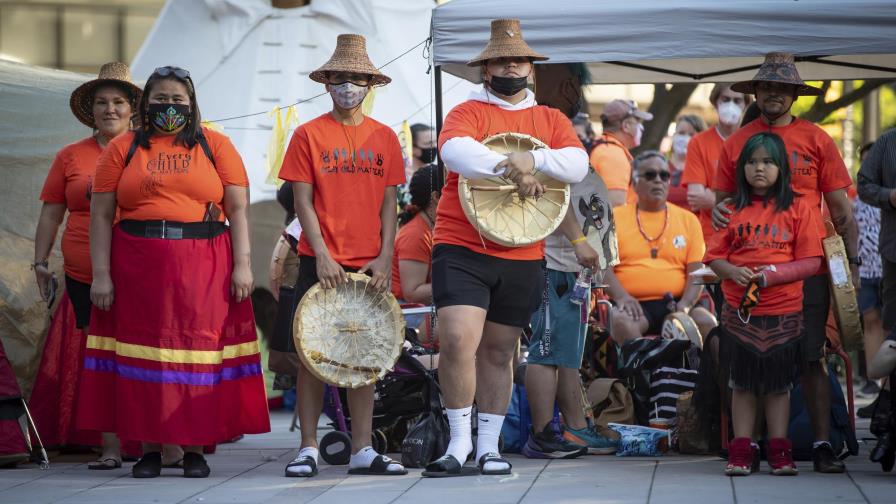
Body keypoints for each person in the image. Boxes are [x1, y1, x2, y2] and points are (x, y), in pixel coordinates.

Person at [78, 65, 270, 479]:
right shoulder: (122, 148)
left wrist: (243, 266)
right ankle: (149, 450)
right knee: (142, 356)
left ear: (192, 104)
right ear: (145, 103)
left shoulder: (216, 145)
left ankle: (194, 450)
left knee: (197, 356)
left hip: (204, 263)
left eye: (177, 100)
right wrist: (101, 275)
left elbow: (237, 209)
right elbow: (100, 215)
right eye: (160, 99)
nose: (169, 107)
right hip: (135, 265)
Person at [422, 18, 588, 477]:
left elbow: (576, 164)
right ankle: (458, 444)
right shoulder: (467, 111)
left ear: (531, 69)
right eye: (500, 58)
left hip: (521, 252)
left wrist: (531, 158)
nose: (510, 65)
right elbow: (454, 152)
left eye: (518, 58)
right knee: (457, 339)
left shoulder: (550, 120)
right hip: (462, 244)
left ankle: (488, 448)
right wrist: (509, 167)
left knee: (499, 351)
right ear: (486, 67)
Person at [712, 52, 857, 473]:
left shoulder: (818, 139)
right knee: (748, 360)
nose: (773, 93)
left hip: (806, 263)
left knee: (811, 356)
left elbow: (841, 209)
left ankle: (822, 442)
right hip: (747, 270)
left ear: (794, 94)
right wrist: (722, 219)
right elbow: (724, 202)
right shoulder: (736, 142)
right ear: (756, 92)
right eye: (767, 86)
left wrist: (848, 265)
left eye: (782, 87)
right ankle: (751, 446)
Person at [279, 34, 407, 478]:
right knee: (313, 354)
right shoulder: (307, 134)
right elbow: (302, 202)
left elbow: (390, 203)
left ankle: (362, 450)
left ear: (370, 83)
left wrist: (385, 256)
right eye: (340, 78)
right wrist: (323, 254)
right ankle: (309, 447)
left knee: (366, 356)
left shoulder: (386, 138)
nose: (348, 85)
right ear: (327, 83)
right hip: (320, 262)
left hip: (369, 261)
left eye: (356, 78)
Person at [31, 62, 141, 469]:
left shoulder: (146, 151)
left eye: (118, 102)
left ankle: (147, 441)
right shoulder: (70, 156)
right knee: (100, 357)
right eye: (101, 102)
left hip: (138, 267)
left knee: (138, 354)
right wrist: (40, 262)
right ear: (90, 110)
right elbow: (50, 214)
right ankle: (109, 447)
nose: (109, 109)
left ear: (132, 108)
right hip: (83, 274)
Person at [706, 132, 823, 476]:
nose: (759, 168)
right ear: (741, 168)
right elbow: (713, 256)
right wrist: (731, 270)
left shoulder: (799, 207)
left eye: (768, 162)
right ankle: (741, 449)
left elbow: (812, 262)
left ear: (782, 168)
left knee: (777, 386)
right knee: (741, 384)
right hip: (739, 313)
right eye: (752, 162)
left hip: (783, 312)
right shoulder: (729, 210)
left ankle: (779, 450)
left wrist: (771, 275)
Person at [524, 170, 619, 459]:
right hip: (555, 264)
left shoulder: (560, 146)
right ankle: (542, 435)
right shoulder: (545, 151)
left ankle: (575, 426)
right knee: (546, 351)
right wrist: (579, 243)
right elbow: (554, 199)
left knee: (566, 354)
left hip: (573, 268)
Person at [606, 151, 716, 344]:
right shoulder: (614, 218)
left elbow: (698, 271)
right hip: (634, 305)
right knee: (622, 321)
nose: (658, 180)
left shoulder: (688, 219)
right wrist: (622, 298)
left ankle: (712, 375)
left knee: (708, 323)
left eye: (664, 175)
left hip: (678, 302)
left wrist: (685, 306)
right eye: (650, 175)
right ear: (635, 182)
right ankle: (642, 375)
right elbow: (602, 269)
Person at [858, 127, 896, 419]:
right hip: (892, 255)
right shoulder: (887, 142)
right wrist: (890, 196)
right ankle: (886, 397)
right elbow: (864, 185)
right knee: (891, 330)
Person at [682, 83, 751, 239]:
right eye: (725, 99)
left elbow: (763, 197)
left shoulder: (754, 140)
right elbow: (696, 198)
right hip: (711, 233)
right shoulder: (698, 142)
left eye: (737, 100)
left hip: (749, 232)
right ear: (715, 102)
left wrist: (713, 197)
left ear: (746, 104)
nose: (730, 105)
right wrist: (742, 198)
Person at [392, 165, 442, 332]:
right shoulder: (416, 234)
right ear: (436, 197)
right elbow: (412, 293)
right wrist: (459, 282)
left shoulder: (431, 226)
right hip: (408, 312)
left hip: (422, 309)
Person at [854, 142, 884, 400]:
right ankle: (873, 379)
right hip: (865, 270)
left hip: (889, 268)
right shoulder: (854, 201)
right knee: (870, 321)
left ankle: (888, 383)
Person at [591, 99, 653, 207]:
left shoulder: (603, 147)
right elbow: (616, 204)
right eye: (637, 121)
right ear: (626, 126)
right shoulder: (613, 155)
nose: (641, 127)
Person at [668, 114, 706, 209]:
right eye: (681, 133)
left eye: (691, 134)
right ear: (674, 136)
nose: (685, 138)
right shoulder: (660, 168)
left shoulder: (707, 170)